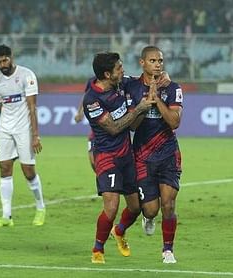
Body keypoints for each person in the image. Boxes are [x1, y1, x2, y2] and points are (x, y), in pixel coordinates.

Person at [83, 52, 154, 264]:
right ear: (107, 74)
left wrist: (160, 77)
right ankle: (98, 248)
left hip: (126, 155)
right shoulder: (92, 100)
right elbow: (114, 128)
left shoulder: (121, 83)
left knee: (135, 207)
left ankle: (120, 231)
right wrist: (139, 109)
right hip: (107, 156)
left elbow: (144, 78)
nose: (123, 70)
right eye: (119, 68)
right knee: (112, 207)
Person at [126, 46, 183, 264]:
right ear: (142, 63)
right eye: (152, 60)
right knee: (151, 210)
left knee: (168, 204)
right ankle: (147, 218)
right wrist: (144, 105)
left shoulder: (173, 88)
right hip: (142, 155)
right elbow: (133, 127)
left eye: (160, 60)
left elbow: (175, 122)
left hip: (168, 153)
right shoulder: (131, 86)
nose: (158, 64)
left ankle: (167, 250)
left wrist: (156, 98)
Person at [0, 44, 46, 228]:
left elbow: (32, 107)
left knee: (28, 171)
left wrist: (35, 135)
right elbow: (1, 107)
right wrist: (0, 128)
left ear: (11, 57)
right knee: (4, 168)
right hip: (5, 129)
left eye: (5, 60)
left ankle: (40, 207)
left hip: (24, 129)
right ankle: (6, 216)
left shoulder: (26, 75)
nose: (3, 64)